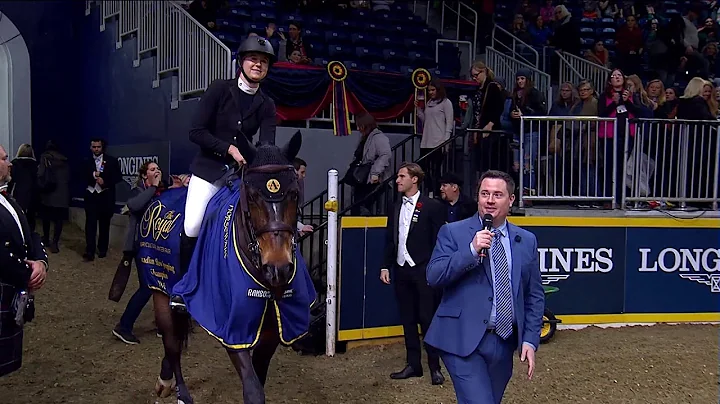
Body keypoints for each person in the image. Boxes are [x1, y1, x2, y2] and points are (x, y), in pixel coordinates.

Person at [425, 170, 544, 404]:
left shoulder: (526, 240)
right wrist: (470, 250)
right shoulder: (453, 232)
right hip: (460, 339)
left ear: (511, 200)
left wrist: (530, 339)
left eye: (497, 194)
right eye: (484, 193)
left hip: (503, 341)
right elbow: (434, 276)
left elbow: (534, 295)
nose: (489, 200)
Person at [178, 36, 278, 292]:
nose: (258, 65)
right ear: (242, 62)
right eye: (254, 59)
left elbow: (266, 145)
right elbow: (196, 132)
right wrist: (229, 148)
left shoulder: (267, 104)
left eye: (264, 61)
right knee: (193, 224)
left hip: (238, 175)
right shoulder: (220, 89)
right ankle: (184, 286)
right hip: (208, 170)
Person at [380, 162, 447, 385]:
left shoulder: (433, 206)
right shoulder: (395, 206)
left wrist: (435, 267)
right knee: (407, 319)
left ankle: (435, 367)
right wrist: (385, 265)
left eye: (401, 176)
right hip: (401, 270)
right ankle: (413, 365)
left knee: (428, 319)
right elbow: (391, 238)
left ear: (414, 179)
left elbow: (440, 241)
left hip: (423, 270)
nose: (397, 180)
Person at [112, 162, 188, 344]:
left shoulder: (161, 192)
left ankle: (163, 325)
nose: (157, 172)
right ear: (145, 175)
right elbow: (135, 205)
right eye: (152, 170)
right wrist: (154, 187)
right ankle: (123, 326)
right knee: (147, 287)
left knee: (163, 284)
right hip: (140, 246)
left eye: (158, 169)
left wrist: (175, 188)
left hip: (157, 247)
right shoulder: (138, 190)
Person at [0, 144, 49, 377]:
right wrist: (27, 273)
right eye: (4, 158)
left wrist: (40, 262)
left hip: (11, 292)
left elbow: (31, 234)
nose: (9, 163)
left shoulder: (9, 199)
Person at [83, 138, 121, 262]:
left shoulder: (112, 161)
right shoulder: (86, 161)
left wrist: (105, 182)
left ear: (102, 147)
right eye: (94, 147)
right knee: (90, 225)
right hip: (91, 196)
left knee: (104, 225)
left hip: (105, 196)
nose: (96, 149)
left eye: (98, 147)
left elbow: (118, 177)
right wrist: (93, 175)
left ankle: (102, 249)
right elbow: (80, 175)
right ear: (90, 147)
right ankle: (90, 251)